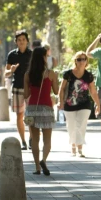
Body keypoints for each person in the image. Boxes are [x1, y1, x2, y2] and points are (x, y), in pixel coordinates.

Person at [25, 46, 59, 175]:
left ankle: (37, 168)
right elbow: (55, 91)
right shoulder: (50, 73)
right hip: (46, 108)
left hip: (32, 108)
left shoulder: (28, 75)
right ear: (44, 58)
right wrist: (55, 78)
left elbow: (26, 95)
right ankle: (43, 160)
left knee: (34, 139)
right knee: (47, 140)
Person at [60, 51, 100, 157]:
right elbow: (62, 89)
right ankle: (73, 145)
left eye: (84, 59)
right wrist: (61, 103)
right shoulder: (68, 74)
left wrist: (98, 104)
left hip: (84, 104)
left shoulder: (88, 76)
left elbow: (93, 91)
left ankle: (80, 148)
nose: (82, 61)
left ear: (86, 61)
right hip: (69, 104)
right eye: (79, 59)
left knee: (81, 125)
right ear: (75, 61)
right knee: (71, 126)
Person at [6, 30, 32, 150]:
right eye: (19, 40)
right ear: (16, 42)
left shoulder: (32, 54)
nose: (21, 42)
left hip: (30, 88)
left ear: (27, 41)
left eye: (23, 40)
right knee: (19, 115)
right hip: (17, 88)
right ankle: (23, 141)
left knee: (30, 114)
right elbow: (6, 74)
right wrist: (11, 70)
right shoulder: (12, 55)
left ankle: (32, 137)